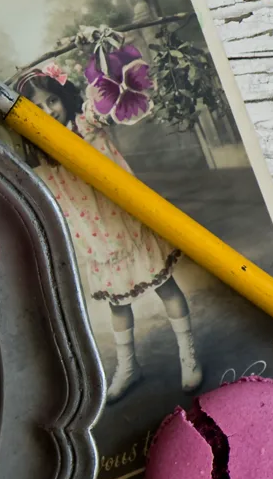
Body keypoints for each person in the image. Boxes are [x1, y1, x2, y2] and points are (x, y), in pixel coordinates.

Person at [16, 66, 202, 403]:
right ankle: (129, 367)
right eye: (37, 107)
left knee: (166, 285)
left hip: (127, 224)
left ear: (65, 98)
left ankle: (188, 355)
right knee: (118, 307)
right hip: (97, 239)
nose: (47, 111)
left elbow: (102, 102)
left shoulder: (85, 124)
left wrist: (102, 56)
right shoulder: (37, 153)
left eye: (52, 100)